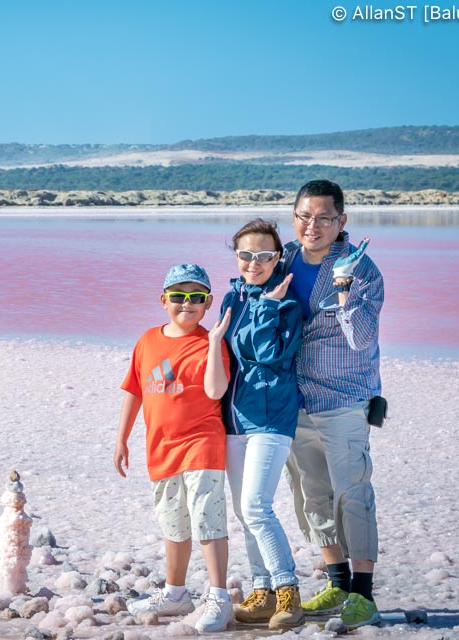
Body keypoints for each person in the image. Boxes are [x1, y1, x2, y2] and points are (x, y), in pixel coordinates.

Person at [282, 179, 384, 630]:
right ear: (294, 217)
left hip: (342, 399)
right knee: (311, 496)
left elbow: (362, 339)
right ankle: (337, 579)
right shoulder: (281, 258)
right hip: (292, 400)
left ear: (342, 221)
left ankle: (363, 594)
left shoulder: (362, 271)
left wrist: (343, 289)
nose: (314, 225)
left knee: (352, 494)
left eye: (324, 217)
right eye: (305, 215)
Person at [113, 263, 234, 633]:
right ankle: (176, 592)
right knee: (174, 523)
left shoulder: (210, 342)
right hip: (161, 449)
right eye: (179, 297)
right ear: (164, 300)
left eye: (196, 297)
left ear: (208, 302)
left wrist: (214, 342)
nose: (187, 304)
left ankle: (218, 596)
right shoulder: (148, 339)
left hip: (202, 444)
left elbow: (216, 390)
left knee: (206, 519)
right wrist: (121, 438)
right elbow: (134, 389)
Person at [219, 218, 305, 630]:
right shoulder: (231, 298)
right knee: (242, 509)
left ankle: (289, 591)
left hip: (272, 417)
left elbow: (269, 355)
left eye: (264, 255)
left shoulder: (287, 305)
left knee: (257, 506)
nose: (254, 263)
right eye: (246, 255)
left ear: (278, 258)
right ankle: (262, 591)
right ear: (236, 257)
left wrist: (269, 306)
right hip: (234, 418)